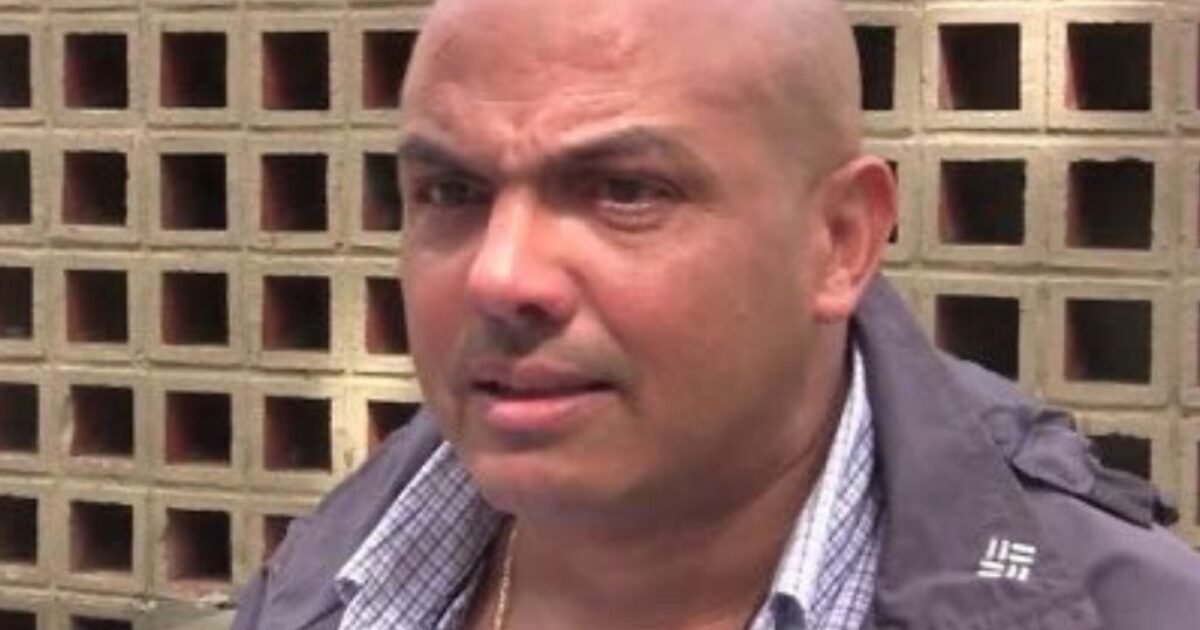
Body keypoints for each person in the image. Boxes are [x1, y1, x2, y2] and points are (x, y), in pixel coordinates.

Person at [230, 0, 1200, 628]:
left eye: (624, 190)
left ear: (841, 241)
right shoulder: (329, 578)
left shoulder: (1124, 610)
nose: (502, 275)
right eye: (451, 193)